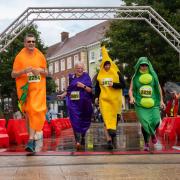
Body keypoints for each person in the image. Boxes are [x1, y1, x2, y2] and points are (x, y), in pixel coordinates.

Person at [11, 34, 48, 152]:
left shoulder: (40, 55)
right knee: (28, 115)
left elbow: (47, 72)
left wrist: (40, 70)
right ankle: (31, 138)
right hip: (25, 91)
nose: (31, 43)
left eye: (33, 41)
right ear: (25, 43)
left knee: (34, 110)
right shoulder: (19, 57)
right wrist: (23, 71)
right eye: (29, 41)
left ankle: (31, 140)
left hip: (37, 90)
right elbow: (13, 74)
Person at [129, 57, 165, 151]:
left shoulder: (153, 75)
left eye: (145, 65)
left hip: (153, 103)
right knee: (145, 123)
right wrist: (132, 97)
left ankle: (152, 134)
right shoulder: (135, 77)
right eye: (142, 65)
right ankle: (146, 143)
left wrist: (161, 100)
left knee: (156, 120)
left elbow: (158, 88)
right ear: (139, 65)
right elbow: (131, 90)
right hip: (140, 105)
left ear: (148, 65)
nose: (144, 67)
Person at [95, 46, 125, 149]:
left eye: (108, 64)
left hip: (115, 102)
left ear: (111, 64)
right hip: (104, 101)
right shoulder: (99, 76)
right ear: (103, 65)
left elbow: (123, 85)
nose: (107, 66)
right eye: (105, 64)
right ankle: (109, 141)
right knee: (106, 121)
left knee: (114, 122)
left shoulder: (117, 73)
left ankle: (112, 137)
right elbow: (97, 88)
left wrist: (114, 84)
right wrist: (95, 97)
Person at [58, 62, 93, 150]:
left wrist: (83, 86)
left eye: (81, 68)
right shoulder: (72, 77)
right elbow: (69, 89)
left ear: (83, 69)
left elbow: (90, 90)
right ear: (75, 69)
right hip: (74, 102)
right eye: (78, 68)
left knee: (84, 120)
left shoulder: (86, 76)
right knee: (74, 120)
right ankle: (77, 140)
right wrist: (63, 95)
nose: (80, 70)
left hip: (84, 102)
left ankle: (83, 136)